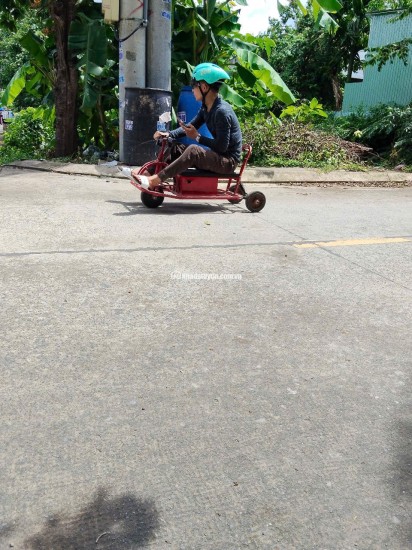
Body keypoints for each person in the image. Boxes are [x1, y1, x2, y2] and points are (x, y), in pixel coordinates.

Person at [132, 62, 242, 190]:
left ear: (204, 87)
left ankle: (156, 180)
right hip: (218, 156)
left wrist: (198, 137)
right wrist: (168, 134)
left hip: (228, 162)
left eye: (194, 85)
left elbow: (222, 147)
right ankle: (148, 173)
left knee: (194, 151)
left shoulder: (221, 112)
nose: (192, 90)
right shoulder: (206, 108)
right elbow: (189, 127)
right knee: (175, 147)